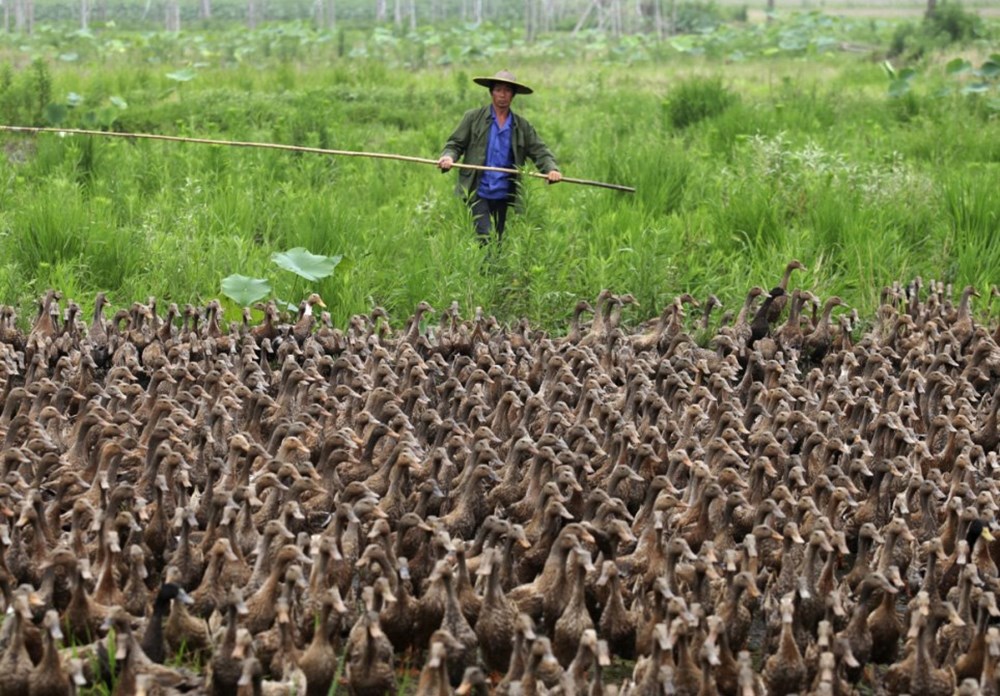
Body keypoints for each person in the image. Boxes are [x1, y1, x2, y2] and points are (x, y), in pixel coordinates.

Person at [438, 70, 562, 245]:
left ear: (513, 95)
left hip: (503, 191)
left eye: (507, 90)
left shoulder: (521, 126)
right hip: (477, 189)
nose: (502, 95)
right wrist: (448, 158)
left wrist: (551, 169)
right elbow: (455, 144)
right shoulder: (473, 118)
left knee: (497, 239)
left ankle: (491, 271)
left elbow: (539, 151)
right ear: (491, 92)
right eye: (498, 90)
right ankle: (484, 270)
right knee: (486, 236)